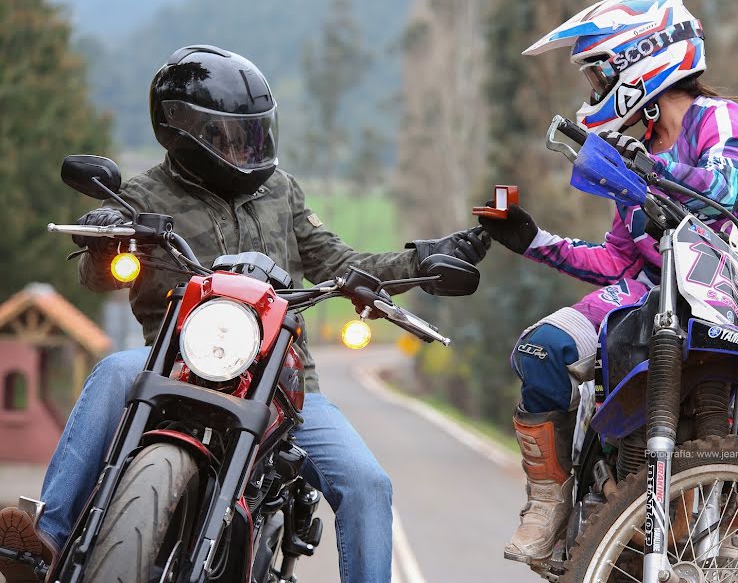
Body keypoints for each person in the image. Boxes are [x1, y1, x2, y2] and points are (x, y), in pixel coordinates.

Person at [0, 45, 490, 583]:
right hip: (177, 361)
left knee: (368, 485)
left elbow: (341, 261)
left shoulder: (281, 191)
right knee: (115, 370)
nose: (240, 146)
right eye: (223, 134)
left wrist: (421, 259)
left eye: (251, 133)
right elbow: (96, 277)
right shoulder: (142, 196)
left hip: (283, 380)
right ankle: (45, 535)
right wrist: (103, 237)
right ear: (179, 130)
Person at [477, 0, 738, 566]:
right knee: (542, 350)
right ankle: (549, 505)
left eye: (598, 76)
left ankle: (727, 549)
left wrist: (646, 168)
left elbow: (724, 189)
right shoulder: (637, 150)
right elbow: (618, 260)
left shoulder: (722, 120)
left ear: (640, 60)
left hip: (734, 305)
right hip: (650, 292)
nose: (593, 93)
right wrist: (531, 239)